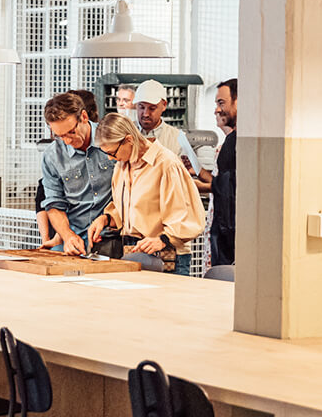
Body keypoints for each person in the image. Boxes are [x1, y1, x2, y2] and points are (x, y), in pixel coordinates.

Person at [88, 113, 206, 275]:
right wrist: (106, 218)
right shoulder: (122, 165)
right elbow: (126, 208)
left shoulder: (166, 164)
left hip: (167, 256)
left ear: (129, 140)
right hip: (134, 251)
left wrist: (163, 239)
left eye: (112, 152)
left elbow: (188, 216)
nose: (110, 158)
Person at [39, 92, 115, 254]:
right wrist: (68, 236)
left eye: (71, 132)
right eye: (59, 136)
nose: (67, 141)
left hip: (111, 234)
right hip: (74, 235)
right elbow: (54, 204)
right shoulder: (52, 156)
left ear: (84, 117)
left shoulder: (111, 139)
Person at [133, 79, 208, 182]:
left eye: (152, 108)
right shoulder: (125, 132)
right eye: (141, 107)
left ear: (164, 105)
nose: (145, 114)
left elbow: (191, 173)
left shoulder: (178, 137)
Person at [209, 79, 238, 267]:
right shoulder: (231, 142)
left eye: (222, 103)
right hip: (224, 235)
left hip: (231, 240)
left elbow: (229, 191)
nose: (217, 110)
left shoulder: (238, 142)